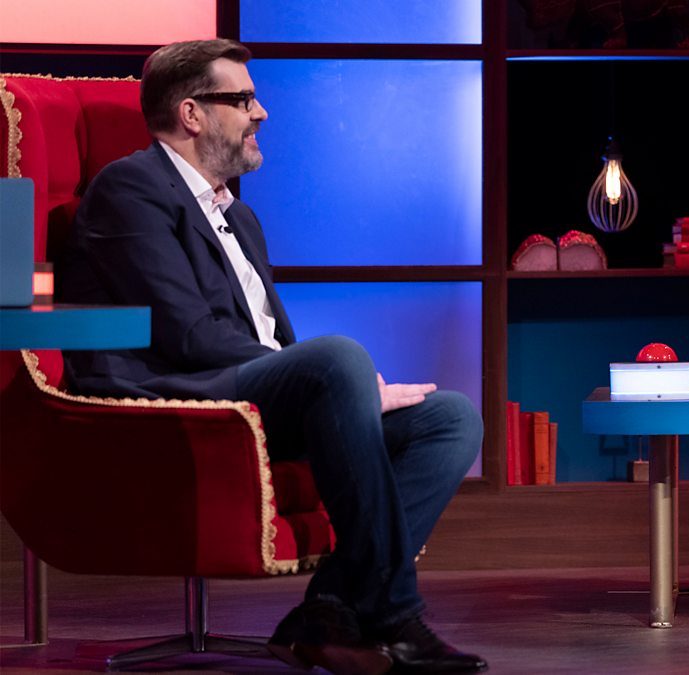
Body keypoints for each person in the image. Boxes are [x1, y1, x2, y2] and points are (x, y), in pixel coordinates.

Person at [57, 39, 487, 673]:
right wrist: (331, 377)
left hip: (248, 387)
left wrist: (334, 388)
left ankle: (327, 611)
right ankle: (394, 616)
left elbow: (273, 346)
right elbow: (187, 335)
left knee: (450, 418)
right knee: (339, 357)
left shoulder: (242, 218)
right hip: (179, 389)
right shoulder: (131, 188)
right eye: (244, 99)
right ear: (191, 113)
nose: (261, 113)